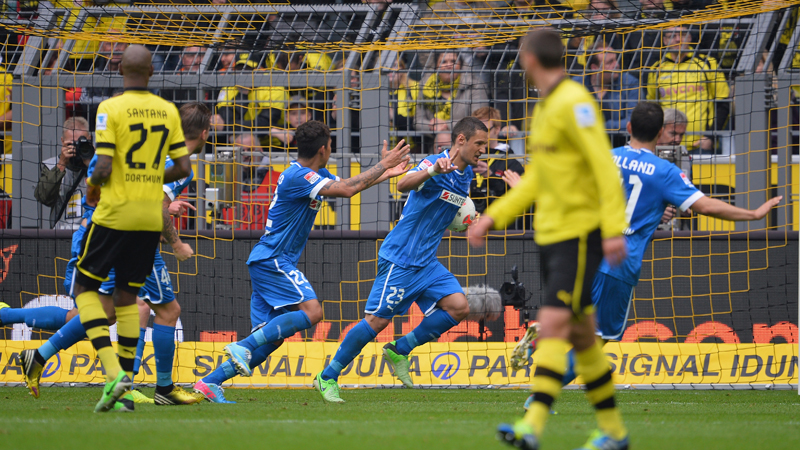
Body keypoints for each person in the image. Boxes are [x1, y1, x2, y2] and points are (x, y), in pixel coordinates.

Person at [513, 102, 782, 412]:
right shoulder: (665, 172)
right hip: (619, 263)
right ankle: (539, 394)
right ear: (659, 133)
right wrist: (753, 213)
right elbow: (706, 206)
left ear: (628, 128)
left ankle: (546, 338)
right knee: (597, 343)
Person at [467, 29, 630, 450]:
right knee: (581, 335)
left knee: (555, 323)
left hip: (580, 235)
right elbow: (537, 177)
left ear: (529, 59)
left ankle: (532, 425)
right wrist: (491, 217)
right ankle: (613, 433)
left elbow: (603, 167)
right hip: (552, 234)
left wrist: (613, 227)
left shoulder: (575, 102)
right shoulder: (546, 107)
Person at [192, 121, 410, 403]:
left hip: (267, 260)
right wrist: (383, 167)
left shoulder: (314, 173)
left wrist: (386, 171)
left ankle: (209, 382)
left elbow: (348, 186)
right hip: (273, 259)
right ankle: (242, 346)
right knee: (313, 312)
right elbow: (345, 190)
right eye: (331, 144)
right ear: (324, 148)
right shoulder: (298, 177)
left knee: (271, 339)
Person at [19, 102, 210, 407]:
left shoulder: (150, 144)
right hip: (130, 237)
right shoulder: (179, 159)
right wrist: (176, 243)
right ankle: (159, 387)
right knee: (165, 310)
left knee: (109, 311)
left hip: (103, 228)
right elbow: (158, 206)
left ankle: (39, 356)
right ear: (204, 132)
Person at [312, 117, 488, 403]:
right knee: (377, 322)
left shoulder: (466, 175)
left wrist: (465, 219)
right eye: (479, 143)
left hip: (427, 261)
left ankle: (400, 348)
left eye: (485, 144)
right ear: (460, 140)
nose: (483, 149)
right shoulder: (436, 162)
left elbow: (445, 209)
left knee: (458, 307)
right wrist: (431, 171)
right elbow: (405, 184)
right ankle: (328, 375)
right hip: (401, 256)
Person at [68, 45, 191, 412]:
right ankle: (122, 389)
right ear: (152, 71)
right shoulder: (168, 111)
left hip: (114, 214)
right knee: (127, 298)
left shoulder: (110, 109)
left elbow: (103, 167)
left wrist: (93, 188)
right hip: (148, 222)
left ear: (119, 69)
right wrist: (150, 177)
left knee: (84, 289)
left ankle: (113, 371)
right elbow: (183, 168)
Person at [646, 26, 730, 154]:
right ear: (664, 40)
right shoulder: (656, 69)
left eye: (683, 35)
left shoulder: (707, 63)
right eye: (672, 36)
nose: (678, 39)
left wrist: (710, 136)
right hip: (666, 145)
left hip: (700, 145)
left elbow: (723, 102)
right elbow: (652, 108)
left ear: (690, 38)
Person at [34, 117, 94, 229]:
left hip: (93, 233)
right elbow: (44, 198)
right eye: (72, 144)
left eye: (81, 143)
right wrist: (61, 164)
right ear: (62, 141)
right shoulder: (52, 165)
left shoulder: (100, 165)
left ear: (89, 139)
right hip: (62, 234)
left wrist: (92, 164)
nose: (76, 148)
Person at [573, 46, 640, 140]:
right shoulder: (577, 84)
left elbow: (634, 121)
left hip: (620, 145)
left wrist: (601, 127)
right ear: (594, 68)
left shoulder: (630, 83)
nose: (616, 64)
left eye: (616, 60)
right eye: (610, 62)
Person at [415, 52, 489, 133]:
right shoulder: (425, 86)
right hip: (433, 142)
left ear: (461, 65)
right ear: (436, 66)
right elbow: (418, 121)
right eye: (443, 62)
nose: (449, 65)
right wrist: (432, 126)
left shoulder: (475, 85)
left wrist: (447, 125)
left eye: (453, 61)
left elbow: (479, 121)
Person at [470, 106, 524, 215]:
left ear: (497, 129)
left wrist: (491, 176)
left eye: (485, 130)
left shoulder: (510, 161)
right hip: (468, 220)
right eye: (476, 131)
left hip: (500, 224)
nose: (480, 135)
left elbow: (516, 199)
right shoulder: (467, 157)